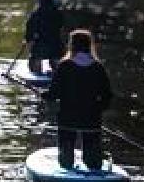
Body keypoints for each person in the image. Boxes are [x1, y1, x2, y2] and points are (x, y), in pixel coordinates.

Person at [41, 29, 113, 170]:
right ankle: (93, 164)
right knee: (93, 161)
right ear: (89, 45)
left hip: (68, 117)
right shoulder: (98, 67)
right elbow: (107, 95)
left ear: (72, 45)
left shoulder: (64, 66)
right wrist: (99, 108)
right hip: (91, 118)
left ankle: (67, 161)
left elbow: (54, 93)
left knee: (66, 160)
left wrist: (46, 95)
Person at [24, 0, 64, 74]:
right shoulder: (58, 12)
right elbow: (61, 25)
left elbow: (30, 28)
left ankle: (36, 71)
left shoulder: (36, 13)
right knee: (56, 59)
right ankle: (57, 72)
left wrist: (27, 39)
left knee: (34, 61)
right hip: (56, 45)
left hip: (41, 45)